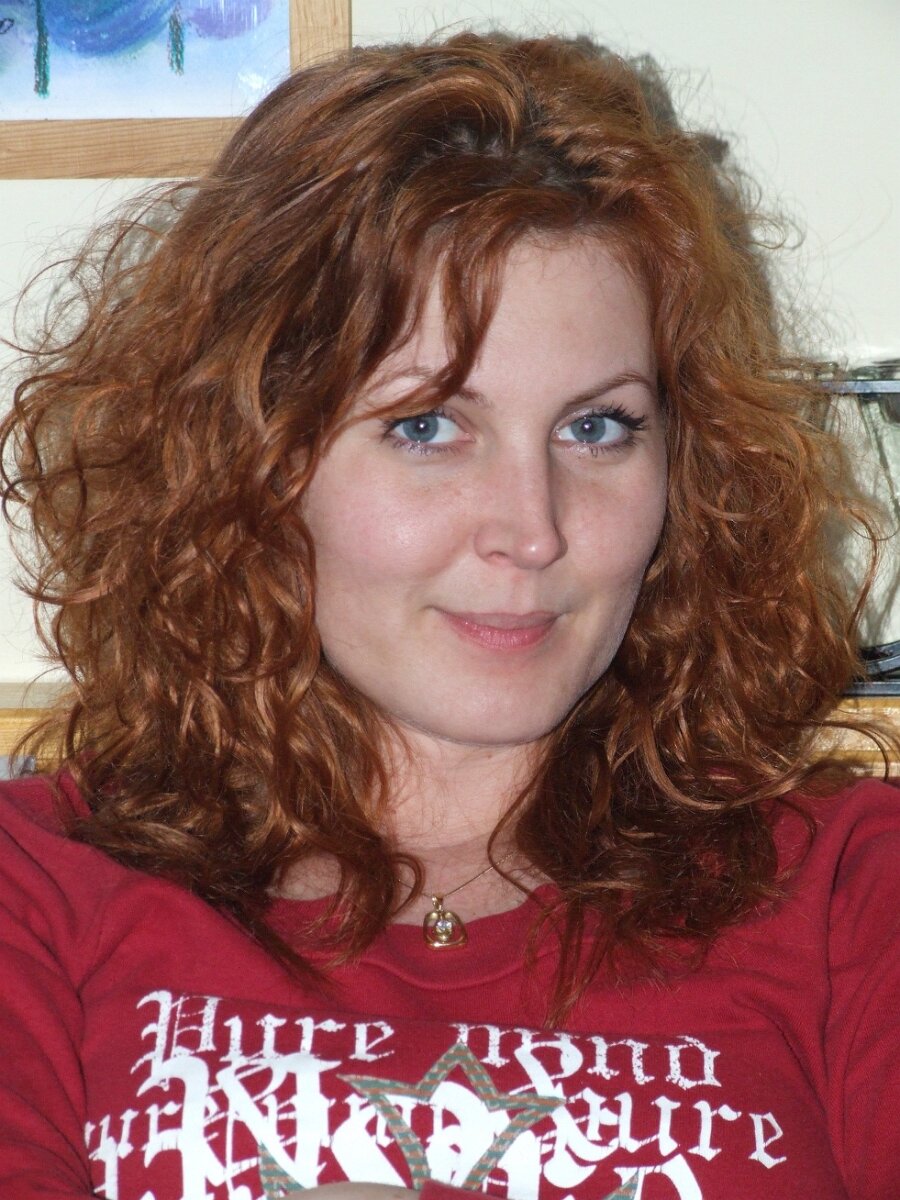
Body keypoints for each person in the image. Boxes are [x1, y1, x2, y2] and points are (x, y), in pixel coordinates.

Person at [0, 29, 897, 1200]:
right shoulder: (38, 884)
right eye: (427, 427)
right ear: (254, 461)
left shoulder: (852, 892)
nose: (533, 529)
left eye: (598, 428)